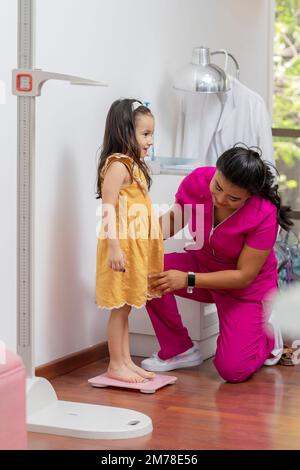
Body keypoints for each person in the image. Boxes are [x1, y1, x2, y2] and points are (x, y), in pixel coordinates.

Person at [142, 144, 293, 383]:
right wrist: (138, 242)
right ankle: (178, 348)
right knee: (145, 269)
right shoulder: (199, 180)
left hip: (244, 289)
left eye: (234, 198)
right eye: (218, 187)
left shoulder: (263, 213)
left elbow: (244, 276)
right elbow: (174, 220)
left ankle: (269, 338)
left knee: (232, 370)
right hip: (202, 265)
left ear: (249, 195)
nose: (221, 199)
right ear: (216, 173)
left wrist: (188, 278)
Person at [95, 98, 164, 383]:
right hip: (119, 247)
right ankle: (116, 364)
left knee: (126, 306)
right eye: (145, 134)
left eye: (151, 134)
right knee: (118, 308)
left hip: (133, 249)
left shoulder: (133, 165)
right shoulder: (117, 166)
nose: (150, 141)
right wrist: (114, 247)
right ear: (125, 132)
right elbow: (108, 208)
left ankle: (125, 361)